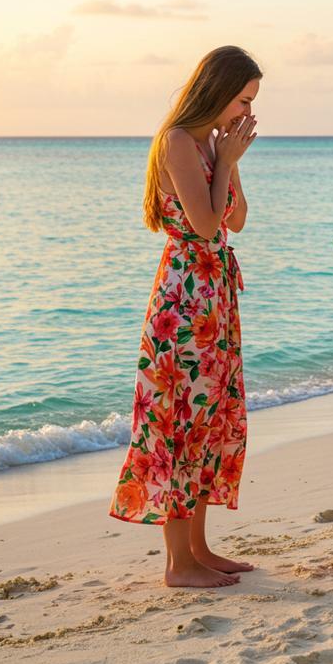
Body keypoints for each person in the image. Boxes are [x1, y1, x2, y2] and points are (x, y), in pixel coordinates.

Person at [110, 46, 261, 588]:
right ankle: (179, 565)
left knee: (208, 420)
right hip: (185, 300)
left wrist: (231, 163)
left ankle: (199, 549)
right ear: (218, 91)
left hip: (214, 295)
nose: (246, 112)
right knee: (179, 422)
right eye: (242, 100)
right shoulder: (177, 141)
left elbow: (235, 221)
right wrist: (225, 163)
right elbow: (201, 226)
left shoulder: (211, 147)